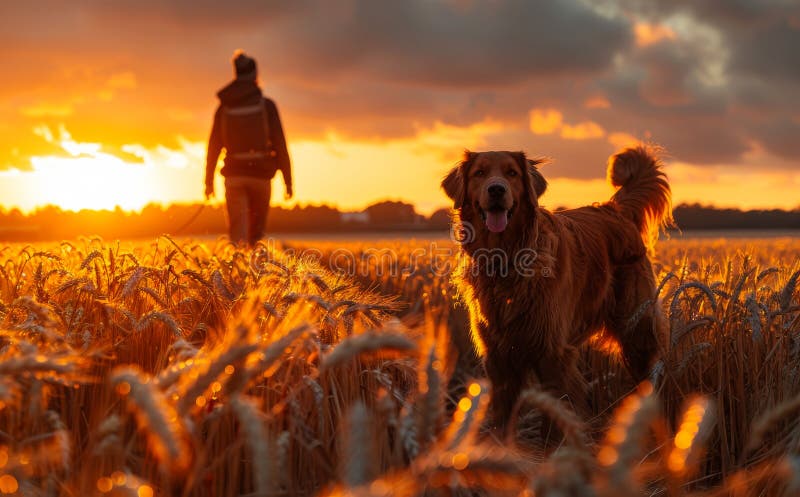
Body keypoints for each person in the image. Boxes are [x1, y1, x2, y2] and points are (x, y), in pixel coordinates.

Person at [205, 50, 293, 245]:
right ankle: (252, 272)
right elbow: (280, 143)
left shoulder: (223, 108)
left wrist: (208, 182)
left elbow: (213, 147)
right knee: (256, 236)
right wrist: (288, 181)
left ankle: (237, 273)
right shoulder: (267, 106)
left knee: (238, 235)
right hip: (261, 177)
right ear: (255, 75)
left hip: (234, 177)